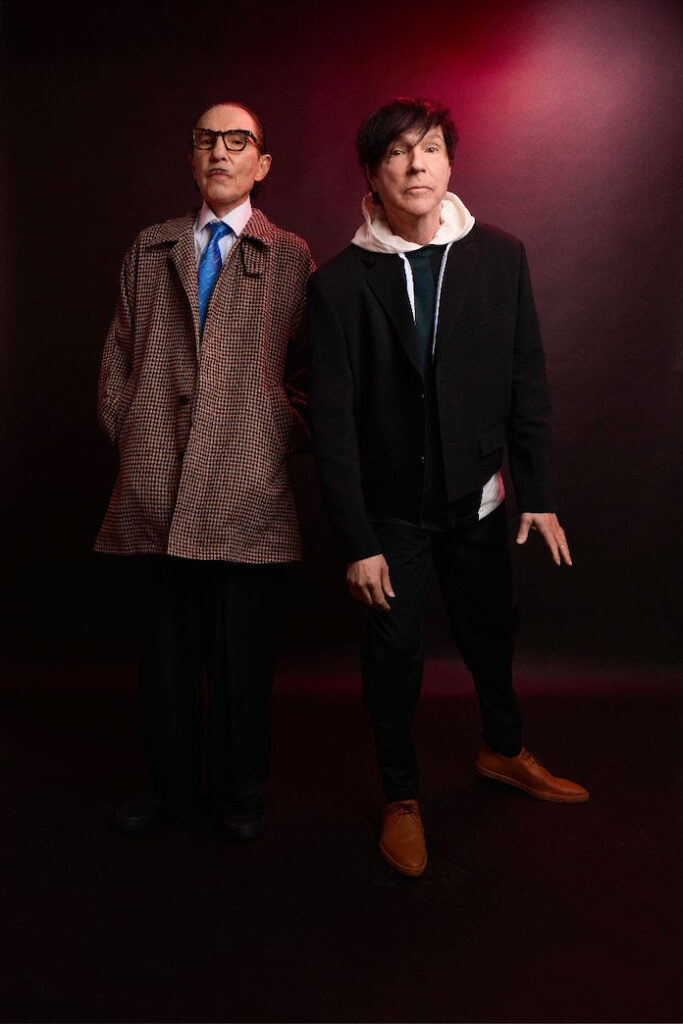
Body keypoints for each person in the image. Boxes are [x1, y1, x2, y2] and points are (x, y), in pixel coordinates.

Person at [308, 97, 588, 878]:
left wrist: (537, 494)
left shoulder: (499, 255)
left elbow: (526, 381)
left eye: (428, 148)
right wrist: (357, 541)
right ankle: (400, 796)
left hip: (478, 499)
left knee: (491, 632)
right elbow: (331, 426)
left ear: (449, 162)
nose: (415, 164)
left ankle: (504, 750)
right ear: (371, 175)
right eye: (396, 153)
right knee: (393, 655)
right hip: (391, 514)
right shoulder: (338, 285)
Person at [96, 101, 314, 839]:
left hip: (249, 489)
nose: (220, 152)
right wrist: (135, 431)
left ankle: (240, 795)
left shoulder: (289, 255)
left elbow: (310, 372)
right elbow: (117, 357)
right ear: (191, 158)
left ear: (262, 162)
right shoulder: (150, 247)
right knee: (163, 655)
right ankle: (166, 789)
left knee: (242, 657)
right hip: (157, 482)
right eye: (205, 140)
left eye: (237, 140)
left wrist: (271, 435)